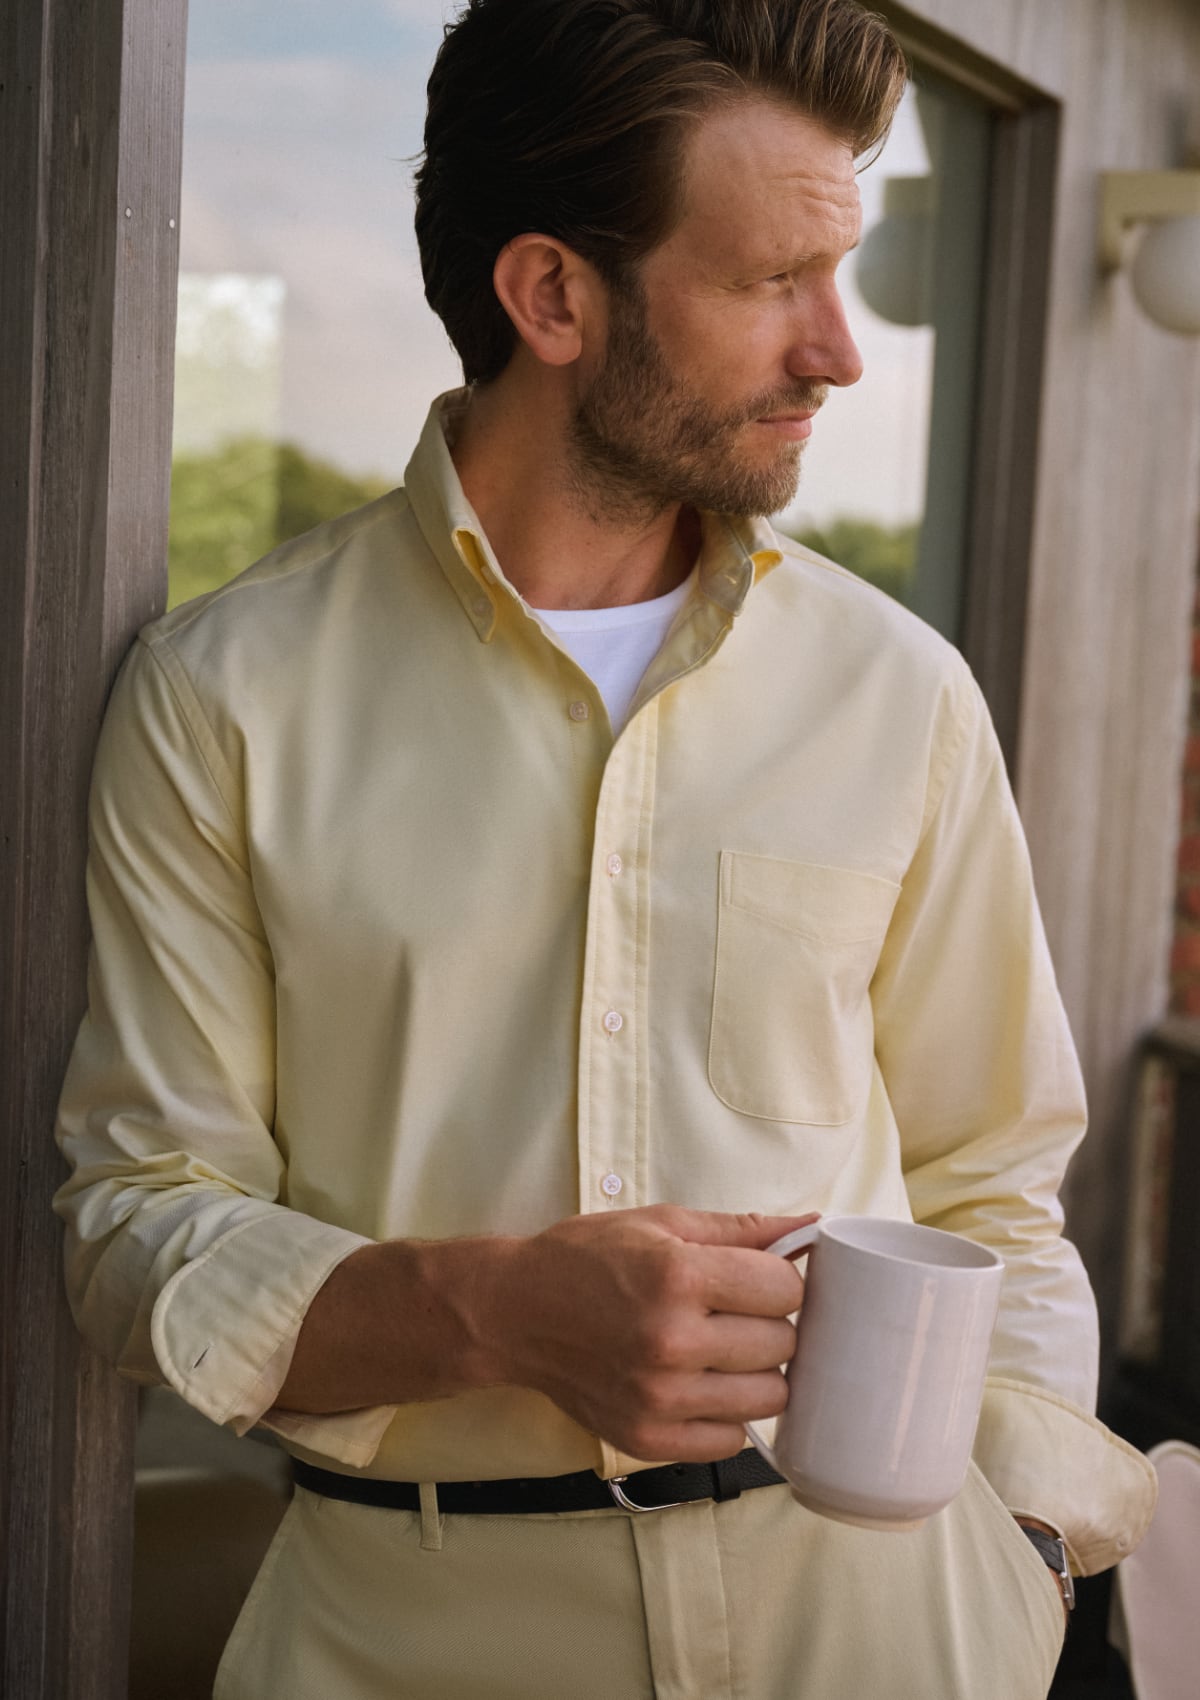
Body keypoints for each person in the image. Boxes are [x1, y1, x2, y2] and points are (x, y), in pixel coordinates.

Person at [55, 2, 1155, 1696]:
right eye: (770, 280)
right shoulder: (228, 697)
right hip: (409, 1636)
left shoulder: (903, 694)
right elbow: (137, 1221)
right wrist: (483, 1312)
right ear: (554, 295)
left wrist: (1016, 1557)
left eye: (841, 273)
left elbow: (993, 1182)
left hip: (888, 1630)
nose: (839, 350)